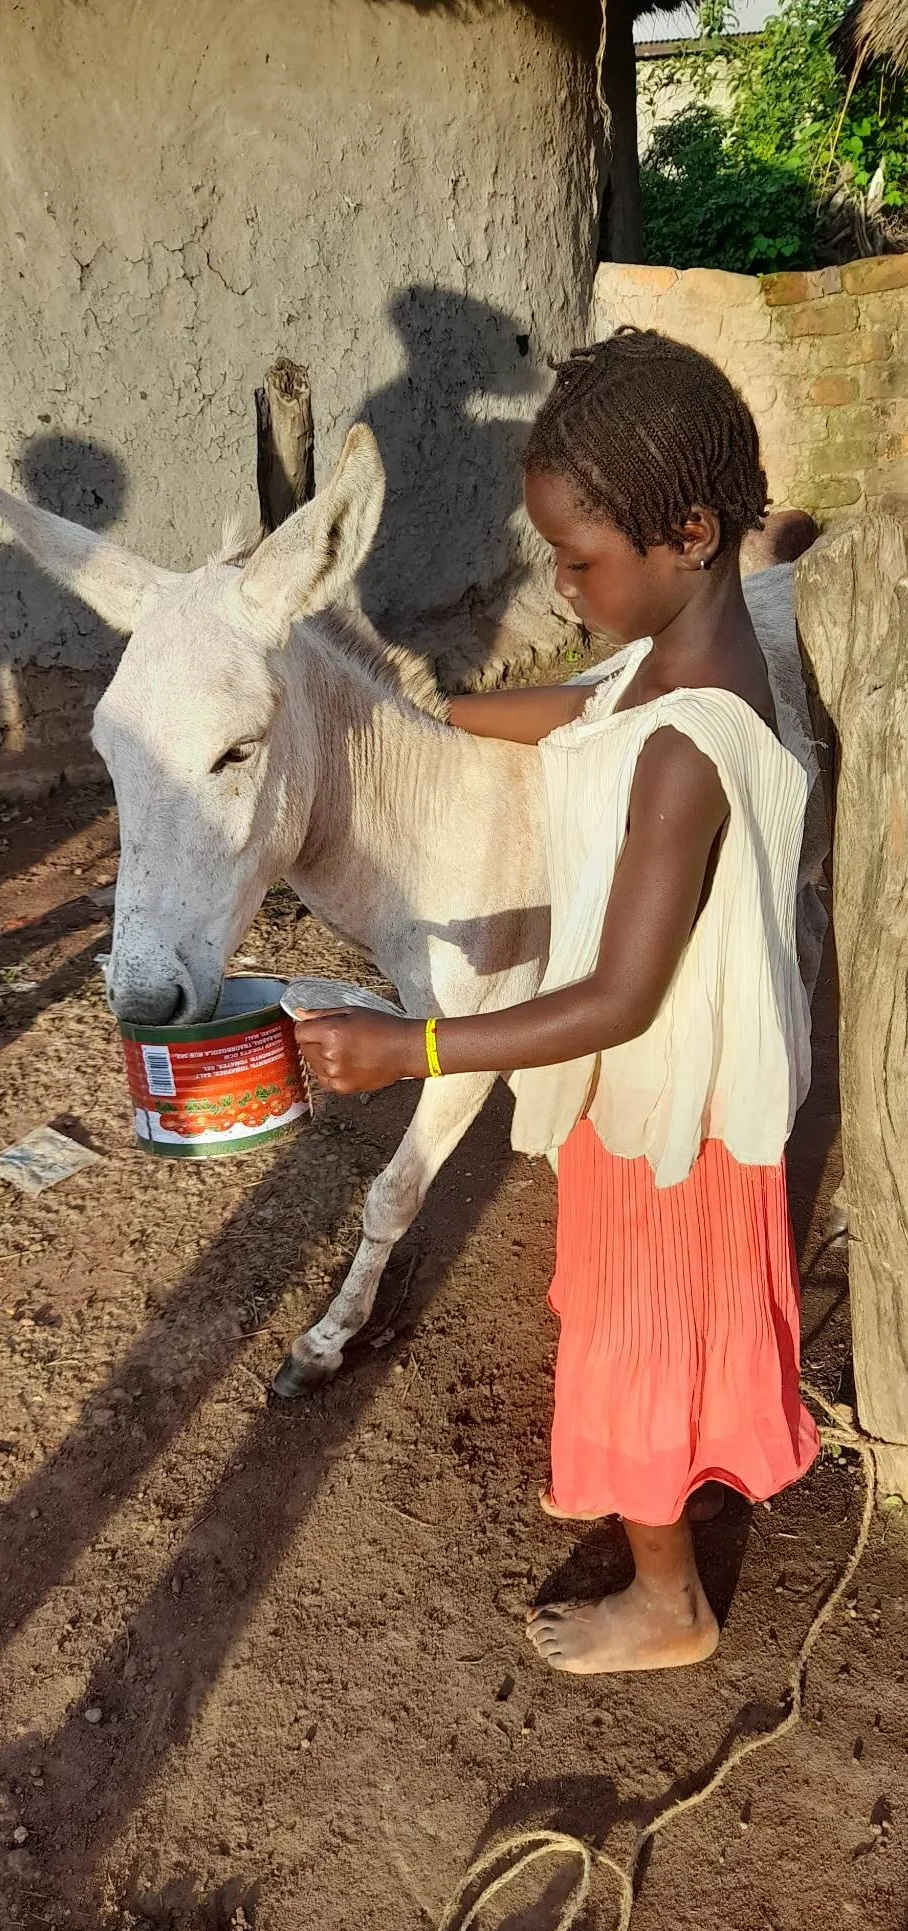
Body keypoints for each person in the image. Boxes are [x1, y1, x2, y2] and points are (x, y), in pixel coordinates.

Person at [295, 328, 821, 1677]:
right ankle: (663, 1490)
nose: (563, 586)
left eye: (580, 561)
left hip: (669, 1092)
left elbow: (619, 999)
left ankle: (669, 1602)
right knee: (648, 1316)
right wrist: (423, 719)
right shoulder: (670, 656)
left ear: (689, 533)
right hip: (659, 1095)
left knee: (644, 1331)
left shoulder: (690, 751)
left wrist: (408, 1044)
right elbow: (580, 716)